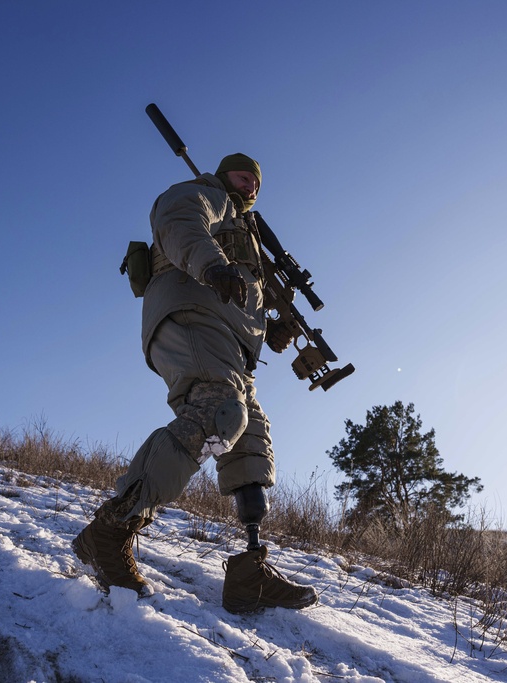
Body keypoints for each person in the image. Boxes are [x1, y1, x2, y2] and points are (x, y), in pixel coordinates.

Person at [73, 153, 317, 614]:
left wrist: (272, 328)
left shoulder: (244, 233)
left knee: (249, 438)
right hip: (191, 313)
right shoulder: (203, 194)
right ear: (225, 174)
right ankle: (110, 532)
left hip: (229, 343)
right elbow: (179, 222)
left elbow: (243, 294)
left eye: (256, 184)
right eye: (244, 177)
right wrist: (212, 266)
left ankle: (249, 574)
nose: (249, 187)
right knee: (217, 413)